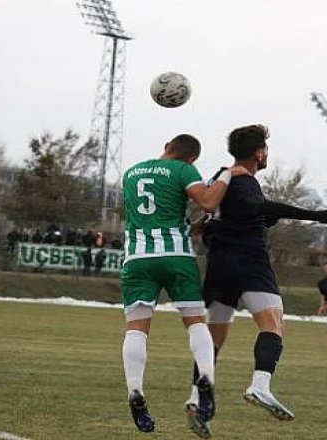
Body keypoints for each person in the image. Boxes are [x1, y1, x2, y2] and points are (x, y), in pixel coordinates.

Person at [187, 124, 327, 423]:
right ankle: (260, 386)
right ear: (259, 153)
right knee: (274, 323)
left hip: (219, 263)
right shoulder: (245, 180)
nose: (267, 153)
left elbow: (232, 216)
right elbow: (256, 206)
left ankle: (196, 397)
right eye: (265, 149)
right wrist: (314, 216)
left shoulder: (220, 178)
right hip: (249, 261)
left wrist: (267, 217)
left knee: (215, 334)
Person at [120, 133, 249, 436]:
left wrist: (192, 225)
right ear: (191, 158)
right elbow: (207, 199)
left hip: (138, 258)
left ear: (166, 146)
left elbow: (154, 217)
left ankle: (135, 392)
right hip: (177, 256)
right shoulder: (183, 169)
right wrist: (228, 174)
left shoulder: (132, 172)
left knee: (136, 328)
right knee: (195, 322)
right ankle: (205, 377)